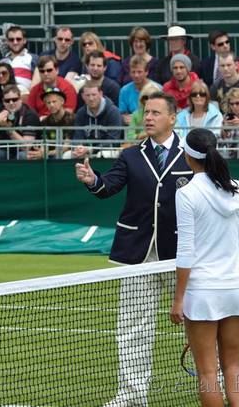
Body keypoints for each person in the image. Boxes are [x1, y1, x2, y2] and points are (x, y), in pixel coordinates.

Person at [75, 91, 192, 407]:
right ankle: (131, 395)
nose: (149, 117)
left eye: (156, 112)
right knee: (132, 329)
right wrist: (90, 179)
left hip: (180, 253)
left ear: (172, 117)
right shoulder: (131, 155)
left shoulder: (191, 155)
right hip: (137, 253)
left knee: (198, 320)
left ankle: (214, 383)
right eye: (146, 112)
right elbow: (106, 188)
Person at [169, 127, 239, 407]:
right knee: (233, 365)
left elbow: (186, 251)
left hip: (202, 292)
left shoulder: (186, 193)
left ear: (188, 157)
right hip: (234, 288)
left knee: (207, 371)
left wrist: (179, 299)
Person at [70, 80, 123, 159]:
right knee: (68, 155)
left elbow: (113, 140)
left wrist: (90, 149)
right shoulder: (80, 113)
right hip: (85, 150)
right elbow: (77, 137)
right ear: (82, 96)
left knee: (101, 155)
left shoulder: (113, 111)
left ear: (100, 94)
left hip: (109, 150)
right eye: (87, 95)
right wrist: (78, 148)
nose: (91, 98)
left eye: (94, 95)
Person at [27, 88, 75, 160]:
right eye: (48, 103)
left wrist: (46, 153)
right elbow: (44, 144)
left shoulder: (72, 119)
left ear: (62, 101)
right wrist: (40, 152)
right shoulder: (45, 122)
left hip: (67, 155)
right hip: (50, 155)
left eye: (54, 101)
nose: (51, 105)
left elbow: (66, 147)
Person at [118, 55, 162, 123]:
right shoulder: (124, 91)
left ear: (146, 72)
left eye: (139, 72)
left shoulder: (157, 89)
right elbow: (122, 113)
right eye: (133, 72)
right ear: (129, 73)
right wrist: (125, 118)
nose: (136, 75)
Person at [1, 25, 39, 90]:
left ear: (24, 40)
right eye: (11, 40)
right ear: (7, 42)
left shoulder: (33, 58)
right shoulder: (1, 62)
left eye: (18, 39)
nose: (15, 42)